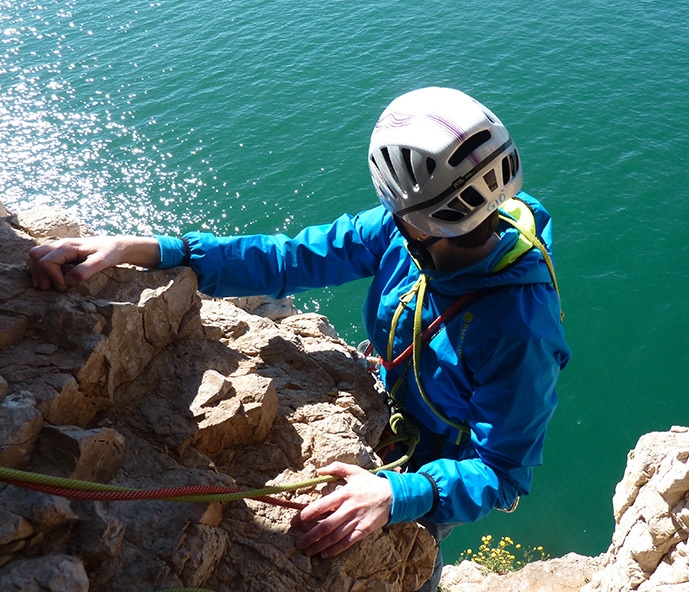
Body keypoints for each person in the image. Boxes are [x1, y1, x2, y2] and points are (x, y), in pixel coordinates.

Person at [27, 87, 571, 591]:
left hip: (432, 472)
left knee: (418, 567)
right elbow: (292, 258)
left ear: (415, 216)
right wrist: (147, 248)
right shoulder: (403, 231)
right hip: (393, 412)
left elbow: (503, 472)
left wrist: (400, 494)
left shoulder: (519, 328)